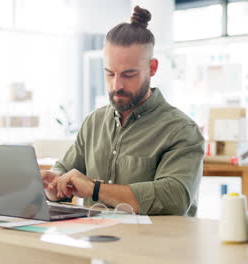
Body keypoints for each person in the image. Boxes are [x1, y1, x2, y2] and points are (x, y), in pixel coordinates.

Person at [41, 6, 204, 216]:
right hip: (95, 243)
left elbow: (174, 198)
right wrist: (53, 186)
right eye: (110, 73)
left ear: (152, 68)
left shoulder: (182, 130)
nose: (117, 85)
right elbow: (63, 171)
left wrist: (95, 189)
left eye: (128, 74)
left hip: (153, 245)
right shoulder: (94, 122)